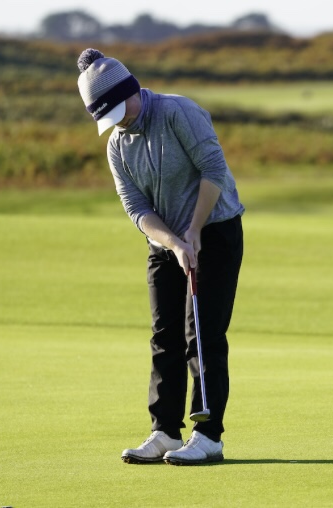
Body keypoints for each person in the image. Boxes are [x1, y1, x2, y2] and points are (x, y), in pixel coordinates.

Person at [77, 48, 244, 465]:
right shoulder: (118, 145)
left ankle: (209, 435)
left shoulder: (177, 112)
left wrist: (194, 230)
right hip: (164, 241)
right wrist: (173, 242)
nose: (119, 121)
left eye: (119, 110)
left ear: (131, 90)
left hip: (215, 230)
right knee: (164, 335)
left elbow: (213, 169)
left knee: (202, 334)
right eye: (108, 117)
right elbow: (136, 207)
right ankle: (166, 431)